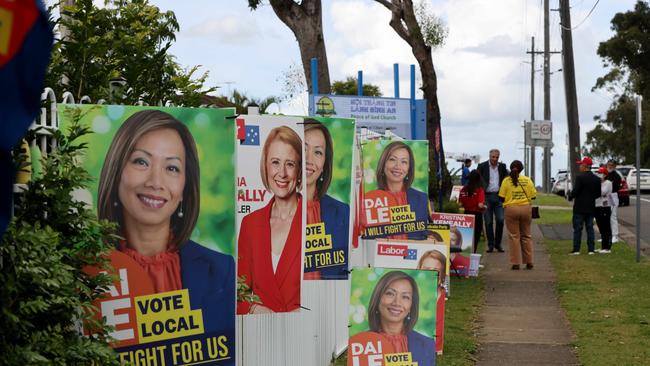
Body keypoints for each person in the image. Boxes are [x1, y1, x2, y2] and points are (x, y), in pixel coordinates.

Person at [97, 110, 234, 333]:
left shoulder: (221, 271)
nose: (155, 182)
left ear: (183, 189)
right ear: (116, 172)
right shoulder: (82, 271)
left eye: (171, 168)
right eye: (141, 162)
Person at [237, 126, 303, 314]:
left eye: (290, 164)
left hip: (304, 334)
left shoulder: (315, 219)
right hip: (261, 334)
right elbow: (239, 293)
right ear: (265, 166)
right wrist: (254, 309)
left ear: (299, 170)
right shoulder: (250, 224)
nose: (282, 173)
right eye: (275, 162)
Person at [303, 120, 350, 280]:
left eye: (318, 152)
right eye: (303, 148)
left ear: (324, 164)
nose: (309, 159)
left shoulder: (344, 213)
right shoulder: (268, 213)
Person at [366, 271, 436, 365]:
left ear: (411, 306)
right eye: (390, 293)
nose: (397, 303)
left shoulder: (429, 346)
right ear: (377, 298)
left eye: (405, 297)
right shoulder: (360, 345)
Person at [371, 141, 429, 240]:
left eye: (404, 162)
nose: (398, 166)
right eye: (392, 159)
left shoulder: (421, 199)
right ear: (383, 164)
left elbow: (423, 236)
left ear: (409, 169)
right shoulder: (369, 200)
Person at [498, 160, 537, 270]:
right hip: (525, 209)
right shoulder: (527, 180)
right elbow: (533, 196)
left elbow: (501, 197)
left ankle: (515, 263)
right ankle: (529, 261)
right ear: (521, 169)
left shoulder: (506, 181)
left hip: (511, 209)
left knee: (514, 236)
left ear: (511, 168)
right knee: (526, 236)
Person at [477, 149, 508, 253]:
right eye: (493, 157)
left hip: (499, 196)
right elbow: (477, 182)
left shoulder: (502, 167)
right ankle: (490, 245)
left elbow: (506, 181)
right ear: (489, 156)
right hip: (486, 197)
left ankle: (498, 244)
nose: (494, 159)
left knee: (500, 219)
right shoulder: (482, 166)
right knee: (488, 221)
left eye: (496, 157)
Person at [569, 157, 601, 255]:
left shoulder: (580, 177)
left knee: (578, 228)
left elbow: (575, 191)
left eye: (581, 165)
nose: (579, 166)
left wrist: (570, 195)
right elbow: (598, 194)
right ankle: (591, 249)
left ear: (585, 166)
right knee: (590, 228)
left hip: (579, 207)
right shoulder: (596, 179)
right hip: (591, 207)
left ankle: (576, 249)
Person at [417, 250, 447, 355]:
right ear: (418, 270)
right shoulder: (408, 297)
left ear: (442, 275)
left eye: (436, 270)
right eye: (426, 269)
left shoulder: (444, 301)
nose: (431, 274)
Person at [458, 170, 485, 254]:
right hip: (477, 216)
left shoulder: (463, 189)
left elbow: (460, 204)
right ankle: (473, 255)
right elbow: (480, 205)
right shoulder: (479, 190)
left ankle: (466, 256)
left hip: (466, 215)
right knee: (475, 238)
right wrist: (485, 207)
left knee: (467, 238)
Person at [595, 166, 613, 254]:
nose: (599, 175)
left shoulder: (608, 183)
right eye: (598, 173)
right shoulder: (598, 183)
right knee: (600, 227)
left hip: (605, 207)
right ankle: (603, 246)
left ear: (605, 175)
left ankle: (607, 247)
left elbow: (602, 192)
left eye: (601, 173)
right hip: (597, 206)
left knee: (606, 227)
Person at [606, 159, 621, 243]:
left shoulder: (616, 176)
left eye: (611, 165)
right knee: (605, 217)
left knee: (612, 217)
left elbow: (614, 188)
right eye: (608, 165)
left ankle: (615, 236)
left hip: (612, 197)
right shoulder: (605, 174)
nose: (610, 166)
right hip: (604, 197)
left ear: (615, 166)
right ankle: (606, 236)